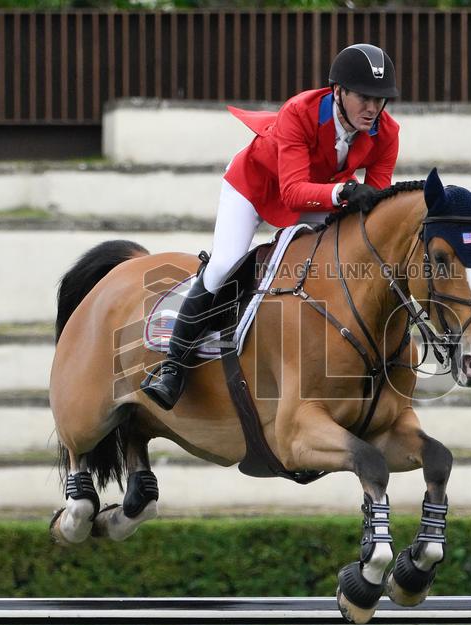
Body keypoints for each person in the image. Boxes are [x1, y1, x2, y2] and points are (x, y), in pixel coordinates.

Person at [141, 43, 401, 411]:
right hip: (255, 187)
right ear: (338, 92)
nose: (373, 109)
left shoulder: (386, 132)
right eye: (364, 97)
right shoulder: (300, 112)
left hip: (317, 195)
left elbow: (375, 201)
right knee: (223, 266)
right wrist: (344, 192)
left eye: (380, 99)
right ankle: (172, 368)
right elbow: (292, 192)